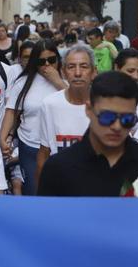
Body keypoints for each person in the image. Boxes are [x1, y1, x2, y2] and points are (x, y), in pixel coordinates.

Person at [38, 72, 138, 197]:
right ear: (89, 110)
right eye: (108, 117)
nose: (117, 127)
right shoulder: (59, 167)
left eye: (127, 119)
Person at [0, 39, 68, 195]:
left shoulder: (67, 80)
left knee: (60, 192)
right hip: (30, 146)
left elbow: (77, 104)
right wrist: (3, 137)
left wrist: (57, 81)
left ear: (58, 59)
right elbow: (11, 111)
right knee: (34, 191)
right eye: (41, 61)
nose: (47, 65)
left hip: (60, 147)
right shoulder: (23, 83)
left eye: (51, 60)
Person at [36, 44, 96, 184]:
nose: (77, 73)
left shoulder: (106, 105)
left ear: (94, 72)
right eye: (71, 67)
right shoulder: (50, 104)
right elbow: (44, 152)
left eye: (84, 66)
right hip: (60, 186)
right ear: (63, 72)